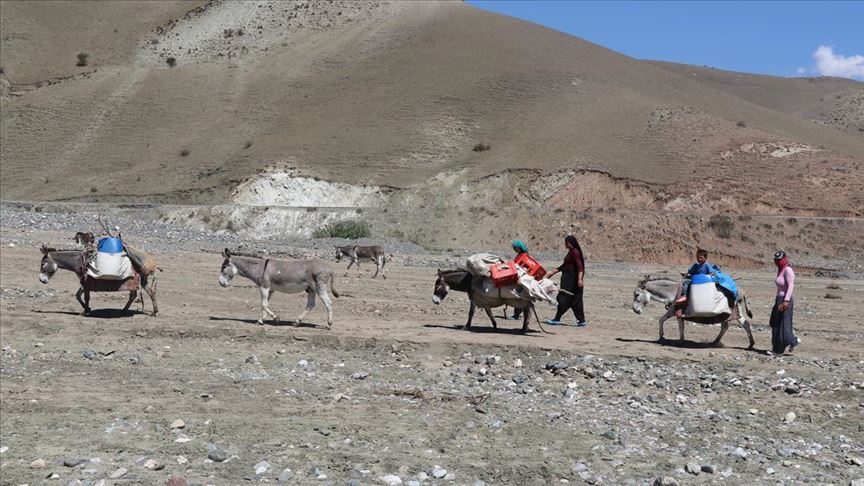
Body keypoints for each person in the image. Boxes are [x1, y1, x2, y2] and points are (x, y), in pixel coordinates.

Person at [544, 235, 586, 327]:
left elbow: (580, 267)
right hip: (568, 279)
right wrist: (553, 272)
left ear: (570, 243)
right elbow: (564, 265)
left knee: (564, 298)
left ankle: (557, 319)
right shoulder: (571, 252)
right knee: (575, 301)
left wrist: (579, 279)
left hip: (571, 282)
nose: (565, 244)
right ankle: (581, 320)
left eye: (566, 243)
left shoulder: (575, 252)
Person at [770, 250, 800, 354]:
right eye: (776, 260)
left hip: (785, 301)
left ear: (784, 259)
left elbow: (791, 286)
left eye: (780, 260)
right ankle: (777, 348)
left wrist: (786, 301)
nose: (778, 261)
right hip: (779, 299)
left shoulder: (788, 270)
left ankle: (791, 342)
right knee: (775, 323)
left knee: (784, 325)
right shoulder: (780, 270)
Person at [506, 240, 530, 320]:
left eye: (514, 247)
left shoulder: (524, 256)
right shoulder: (520, 255)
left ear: (519, 248)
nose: (513, 249)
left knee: (519, 296)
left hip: (521, 278)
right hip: (519, 277)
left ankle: (516, 315)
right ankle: (517, 314)